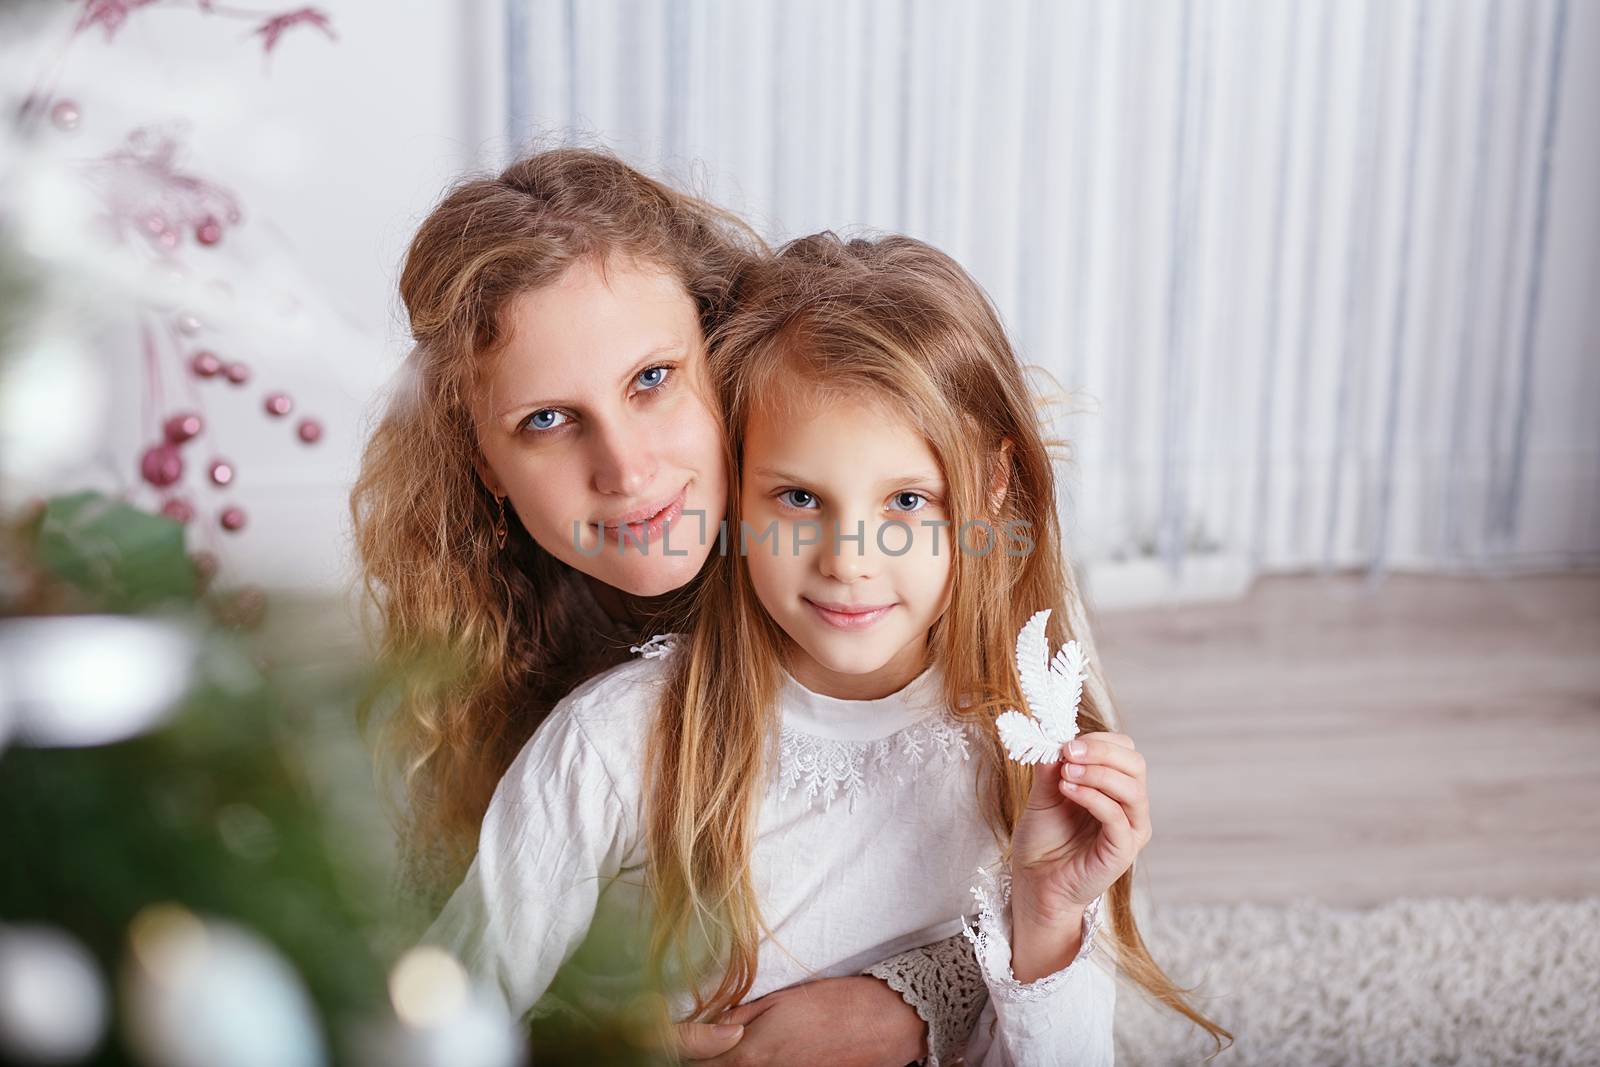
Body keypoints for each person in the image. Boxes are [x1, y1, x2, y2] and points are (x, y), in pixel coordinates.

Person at [424, 233, 1234, 1062]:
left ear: (992, 489)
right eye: (801, 497)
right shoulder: (614, 743)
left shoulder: (1024, 742)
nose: (849, 558)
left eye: (909, 500)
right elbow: (435, 1020)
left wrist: (1051, 920)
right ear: (735, 482)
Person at [350, 149, 993, 1064]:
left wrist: (908, 999)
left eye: (652, 380)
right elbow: (452, 990)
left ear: (722, 355)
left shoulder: (918, 560)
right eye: (546, 420)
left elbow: (1079, 909)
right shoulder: (543, 705)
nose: (627, 469)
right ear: (482, 465)